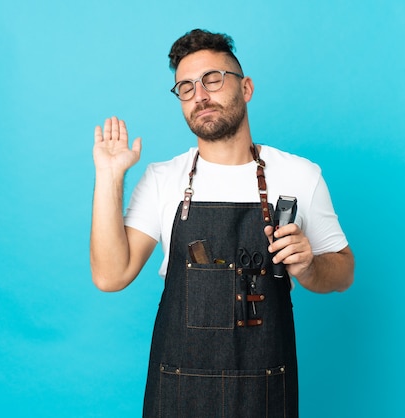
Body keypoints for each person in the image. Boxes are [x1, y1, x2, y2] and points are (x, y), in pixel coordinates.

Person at [90, 28, 354, 418]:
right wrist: (110, 177)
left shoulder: (300, 175)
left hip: (265, 391)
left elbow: (343, 272)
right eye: (185, 86)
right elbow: (110, 277)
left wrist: (311, 266)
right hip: (178, 390)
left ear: (245, 88)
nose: (200, 94)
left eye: (212, 79)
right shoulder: (164, 178)